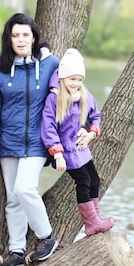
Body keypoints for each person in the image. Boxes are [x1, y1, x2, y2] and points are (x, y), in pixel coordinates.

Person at [0, 12, 60, 266]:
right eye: (16, 35)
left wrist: (87, 126)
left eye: (26, 34)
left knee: (25, 189)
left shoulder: (49, 65)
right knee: (13, 198)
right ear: (9, 39)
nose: (21, 39)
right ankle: (16, 250)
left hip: (37, 143)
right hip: (7, 143)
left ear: (34, 37)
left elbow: (73, 86)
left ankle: (46, 236)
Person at [40, 48, 115, 236]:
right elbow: (48, 127)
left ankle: (97, 218)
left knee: (95, 180)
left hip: (80, 147)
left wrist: (91, 133)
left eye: (80, 79)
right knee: (83, 180)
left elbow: (95, 115)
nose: (76, 84)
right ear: (63, 77)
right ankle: (90, 223)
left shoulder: (84, 95)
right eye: (72, 79)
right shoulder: (54, 98)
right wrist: (57, 154)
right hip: (65, 150)